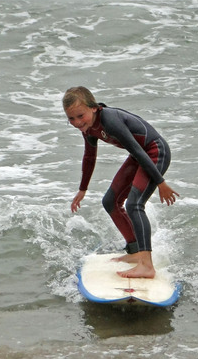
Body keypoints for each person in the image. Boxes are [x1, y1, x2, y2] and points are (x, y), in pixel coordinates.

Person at [63, 86, 179, 279]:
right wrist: (82, 189)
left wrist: (161, 182)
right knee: (110, 202)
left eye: (80, 116)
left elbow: (136, 148)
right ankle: (134, 251)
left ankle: (146, 265)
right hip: (138, 156)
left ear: (93, 108)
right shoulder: (88, 127)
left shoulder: (109, 119)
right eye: (71, 119)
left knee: (134, 204)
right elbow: (89, 157)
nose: (77, 122)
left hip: (154, 152)